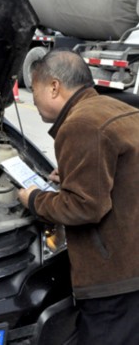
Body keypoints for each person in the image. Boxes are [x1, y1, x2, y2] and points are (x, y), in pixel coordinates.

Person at [17, 49, 139, 344]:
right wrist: (73, 174)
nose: (32, 97)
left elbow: (85, 207)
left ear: (55, 87)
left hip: (113, 278)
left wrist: (34, 198)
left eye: (34, 89)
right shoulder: (116, 109)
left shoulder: (80, 124)